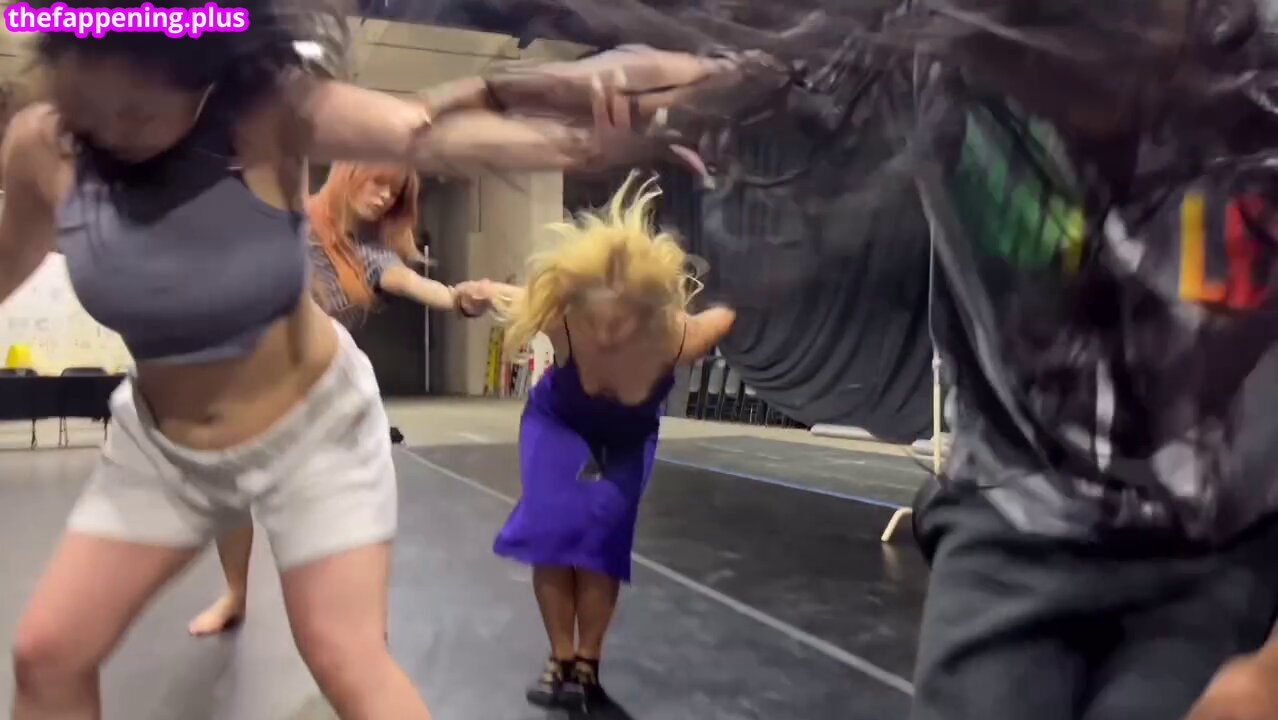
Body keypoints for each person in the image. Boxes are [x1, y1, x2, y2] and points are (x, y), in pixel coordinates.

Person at [428, 3, 1278, 718]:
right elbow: (717, 75)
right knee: (561, 537)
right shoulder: (941, 44)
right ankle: (568, 662)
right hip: (1016, 517)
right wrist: (508, 97)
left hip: (1215, 539)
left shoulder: (1252, 75)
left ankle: (580, 662)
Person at [0, 2, 637, 718]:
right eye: (96, 107)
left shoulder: (273, 122)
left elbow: (431, 132)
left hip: (314, 428)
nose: (119, 129)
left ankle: (247, 591)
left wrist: (577, 143)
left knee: (344, 655)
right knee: (45, 655)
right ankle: (236, 591)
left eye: (146, 109)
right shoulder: (41, 147)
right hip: (168, 441)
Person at [187, 160, 491, 637]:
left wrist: (458, 298)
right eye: (378, 182)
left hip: (323, 388)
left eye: (394, 192)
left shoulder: (368, 253)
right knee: (228, 490)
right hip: (254, 372)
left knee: (341, 505)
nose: (384, 196)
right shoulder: (291, 221)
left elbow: (415, 284)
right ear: (349, 175)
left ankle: (361, 611)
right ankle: (235, 594)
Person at [475, 173, 735, 711]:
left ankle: (587, 666)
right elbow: (508, 295)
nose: (610, 335)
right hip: (558, 422)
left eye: (624, 323)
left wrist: (761, 291)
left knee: (601, 541)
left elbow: (731, 312)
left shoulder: (680, 338)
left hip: (628, 436)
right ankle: (560, 657)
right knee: (551, 529)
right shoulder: (563, 320)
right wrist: (470, 292)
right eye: (600, 320)